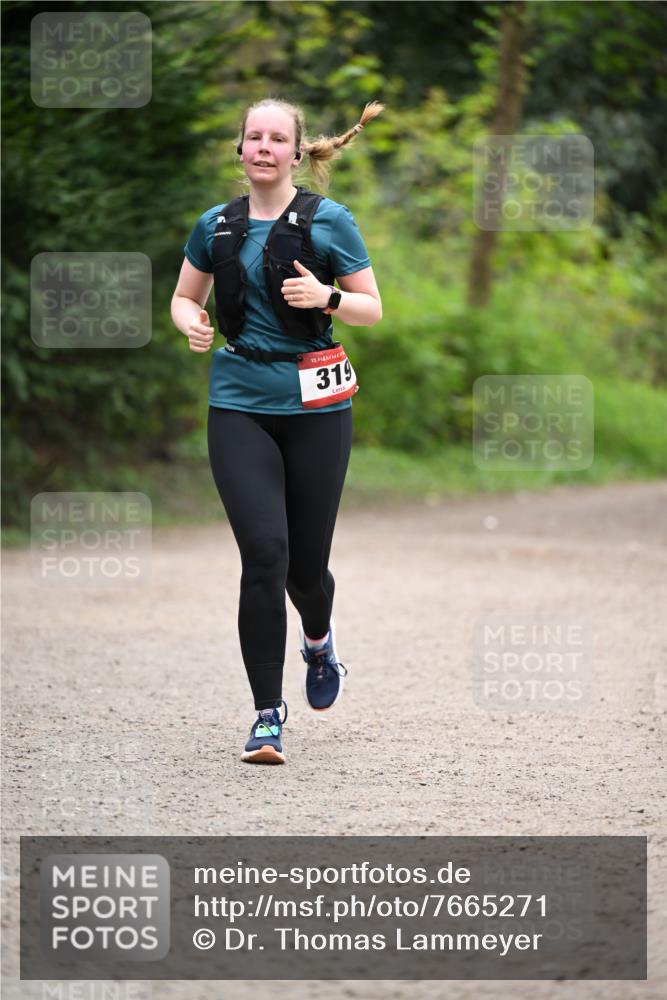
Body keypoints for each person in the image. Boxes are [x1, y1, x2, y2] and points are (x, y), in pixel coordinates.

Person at [171, 97, 383, 764]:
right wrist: (190, 323)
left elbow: (371, 309)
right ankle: (267, 716)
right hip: (238, 401)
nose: (262, 147)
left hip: (316, 408)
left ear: (297, 153)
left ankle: (318, 641)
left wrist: (327, 298)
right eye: (251, 137)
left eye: (276, 139)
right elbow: (184, 295)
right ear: (239, 150)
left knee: (304, 569)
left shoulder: (329, 222)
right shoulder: (215, 226)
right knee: (263, 555)